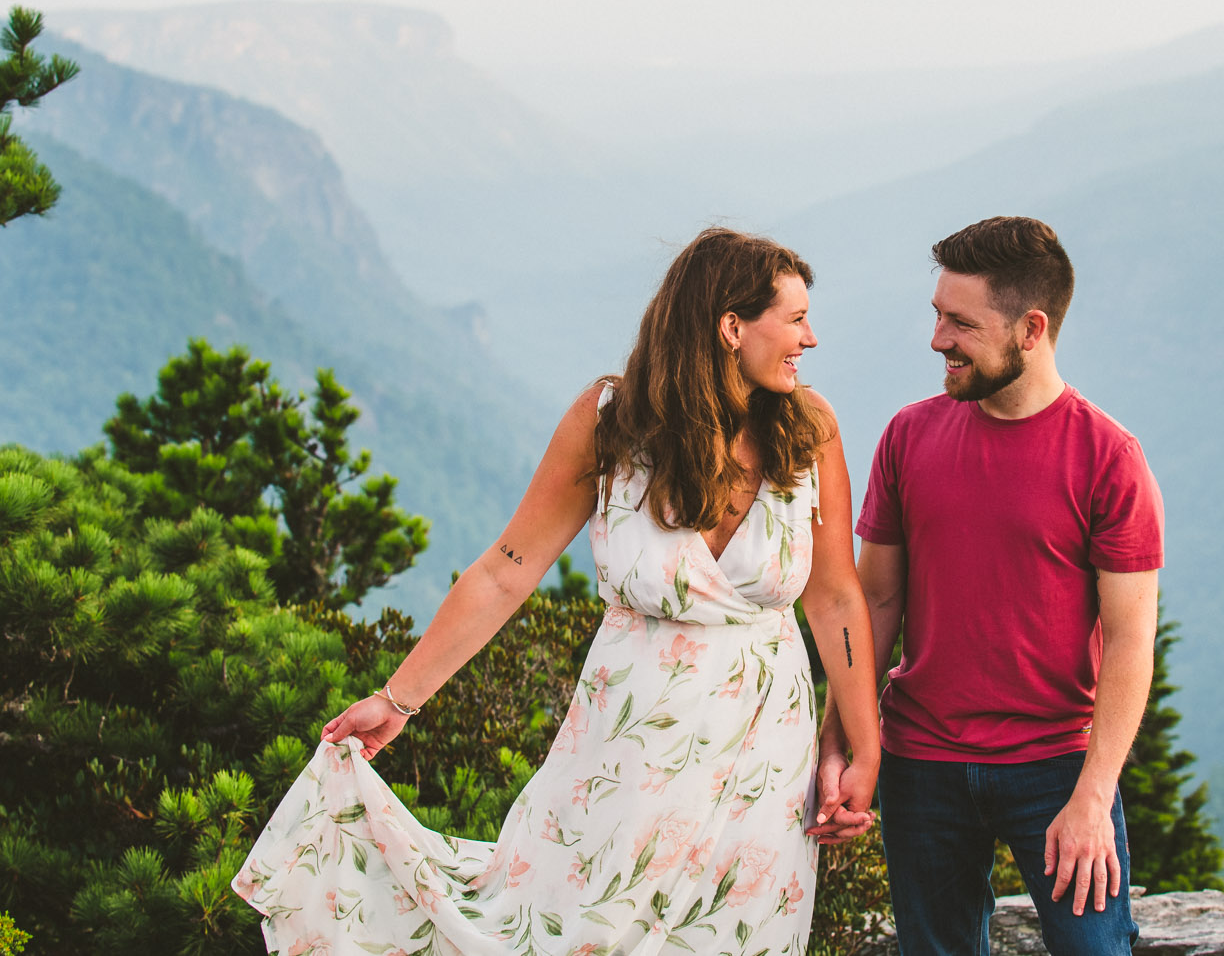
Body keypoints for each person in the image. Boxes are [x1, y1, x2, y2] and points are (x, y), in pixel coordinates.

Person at [234, 228, 881, 956]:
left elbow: (834, 598)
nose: (810, 337)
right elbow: (505, 568)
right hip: (626, 753)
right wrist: (398, 697)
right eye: (794, 319)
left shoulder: (810, 430)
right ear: (732, 326)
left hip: (766, 760)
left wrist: (863, 747)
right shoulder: (612, 423)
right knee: (580, 931)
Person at [817, 216, 1165, 956]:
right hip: (923, 763)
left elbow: (1133, 636)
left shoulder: (1108, 457)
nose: (937, 338)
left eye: (960, 322)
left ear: (1030, 328)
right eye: (937, 314)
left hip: (1058, 768)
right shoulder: (908, 436)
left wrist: (1093, 794)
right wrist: (840, 738)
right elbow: (874, 601)